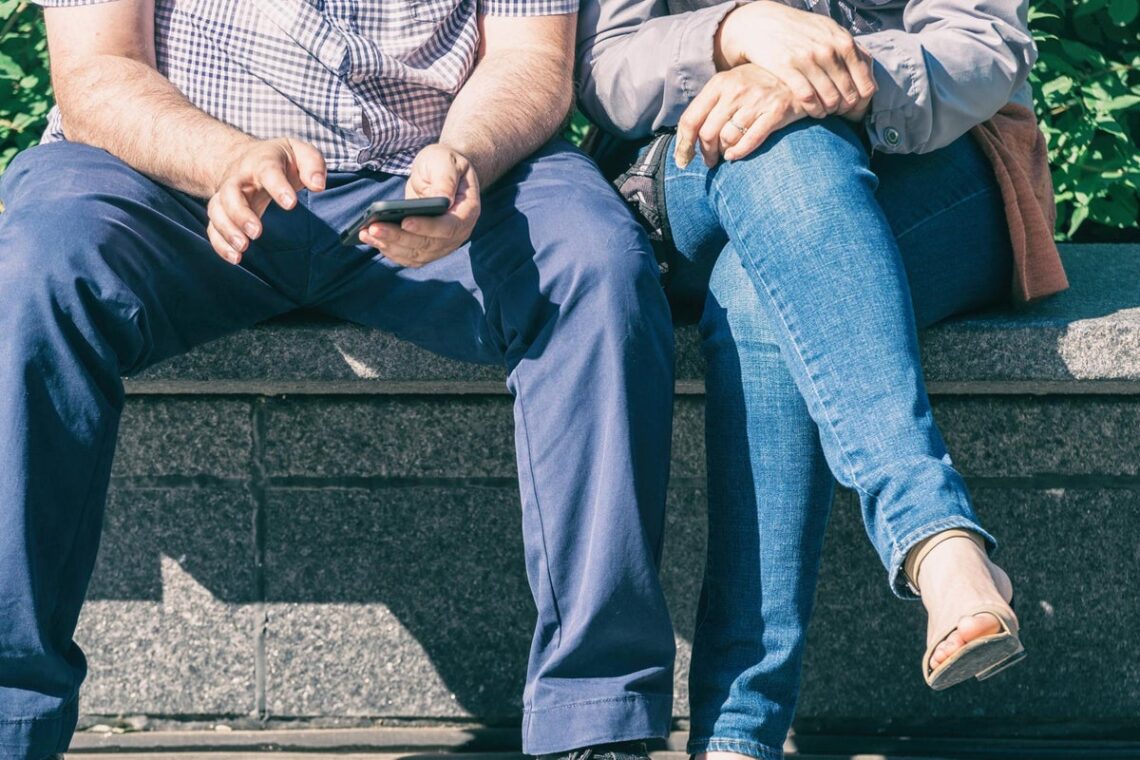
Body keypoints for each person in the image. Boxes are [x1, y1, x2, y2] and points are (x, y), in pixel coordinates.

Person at [0, 2, 680, 759]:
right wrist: (225, 158)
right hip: (171, 179)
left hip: (431, 175)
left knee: (593, 265)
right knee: (32, 273)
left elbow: (530, 59)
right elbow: (99, 67)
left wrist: (466, 155)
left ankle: (597, 720)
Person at [577, 0, 1066, 757]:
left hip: (936, 165)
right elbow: (603, 60)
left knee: (760, 288)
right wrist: (730, 34)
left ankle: (736, 740)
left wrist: (832, 77)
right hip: (695, 162)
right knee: (777, 142)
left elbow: (985, 41)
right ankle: (936, 539)